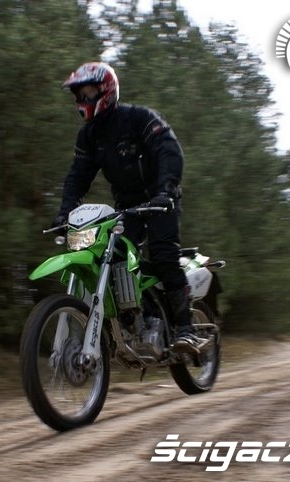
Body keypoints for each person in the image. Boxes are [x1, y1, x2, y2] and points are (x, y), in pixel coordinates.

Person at [52, 61, 206, 354]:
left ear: (106, 90)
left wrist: (166, 190)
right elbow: (77, 177)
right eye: (79, 95)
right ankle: (139, 318)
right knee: (114, 259)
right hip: (127, 207)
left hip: (160, 200)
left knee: (163, 254)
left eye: (87, 93)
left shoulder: (138, 118)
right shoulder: (89, 136)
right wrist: (65, 212)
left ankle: (186, 329)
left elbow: (169, 151)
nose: (82, 99)